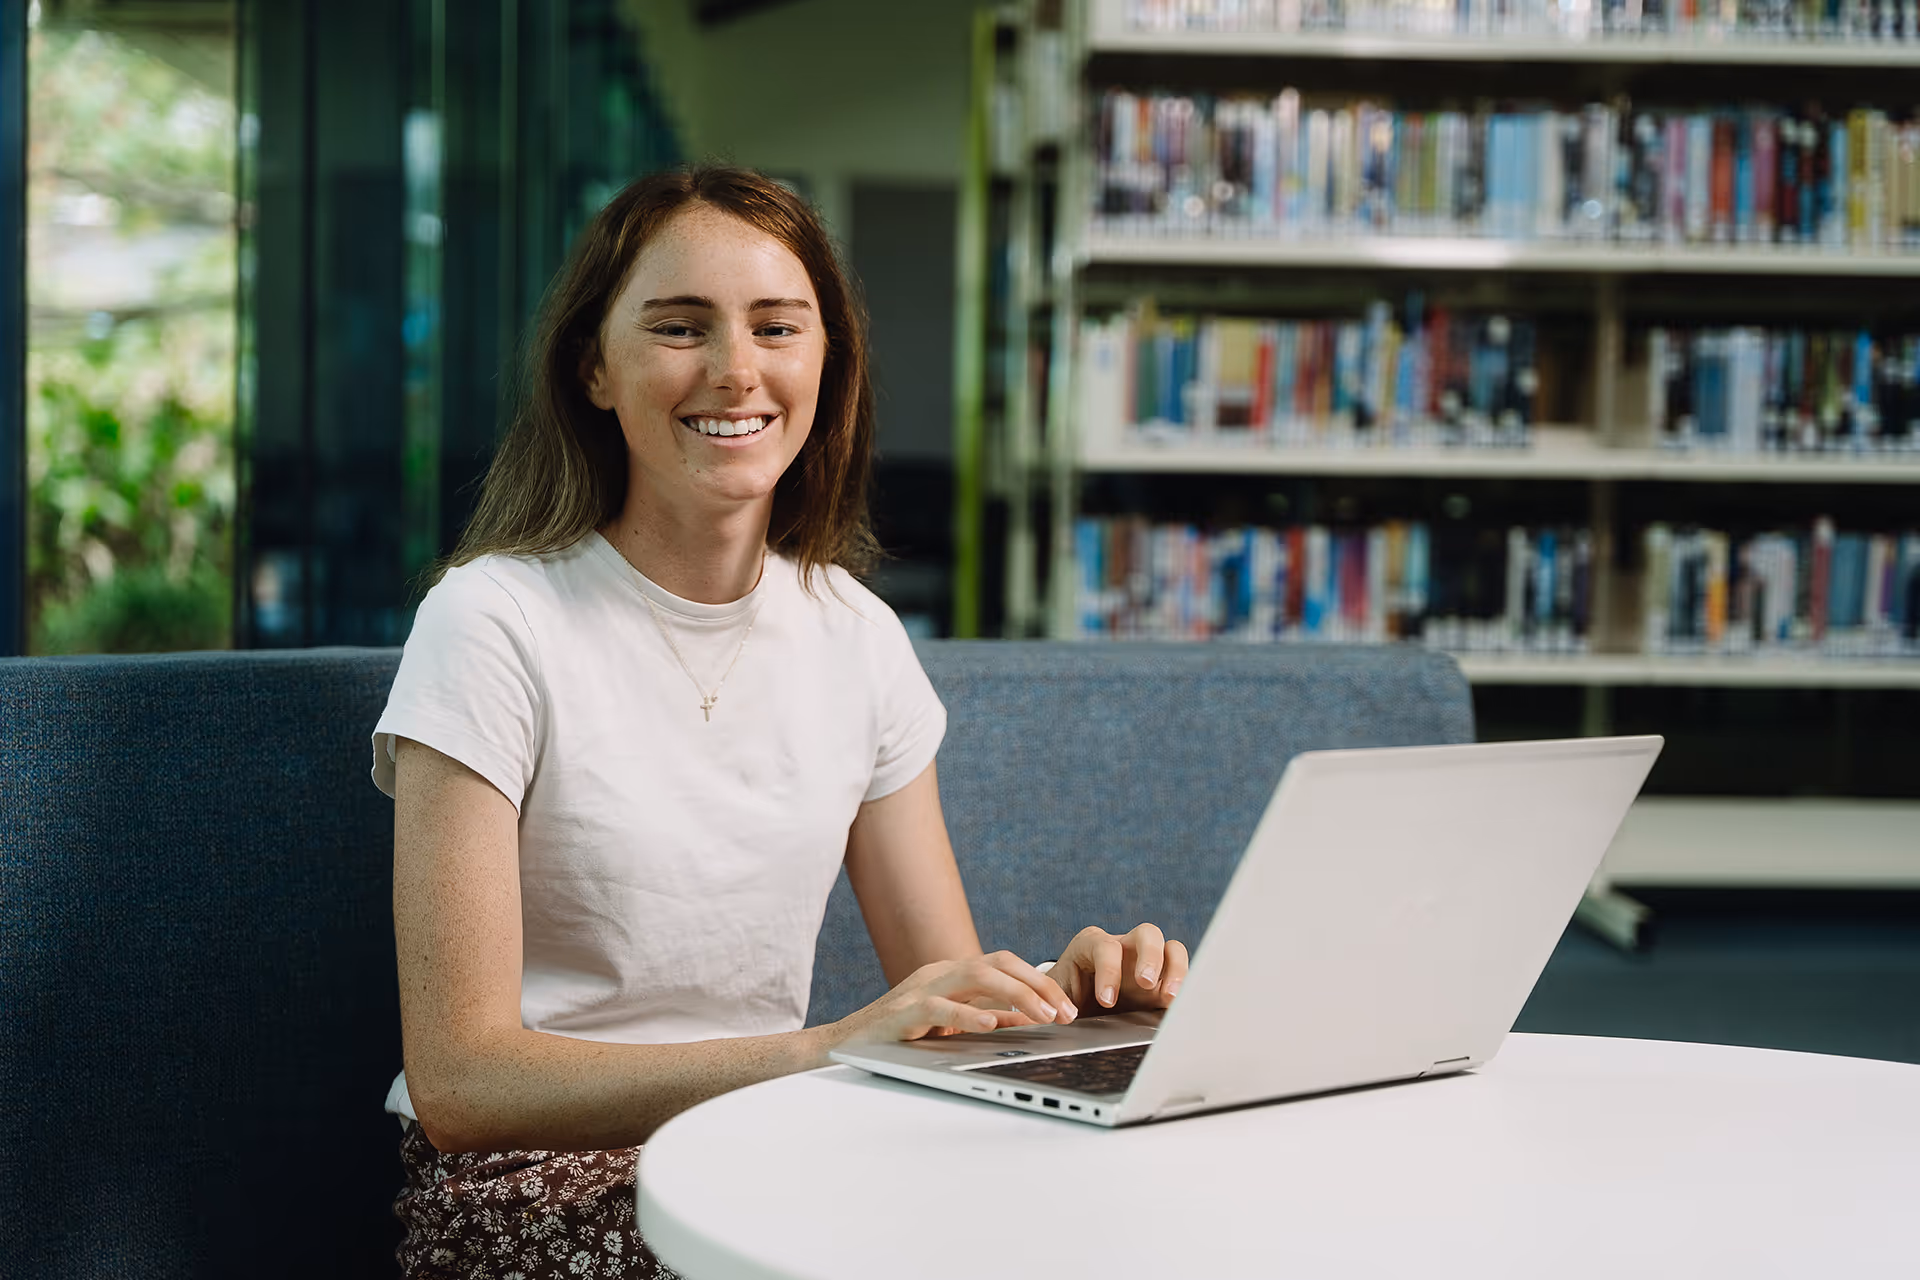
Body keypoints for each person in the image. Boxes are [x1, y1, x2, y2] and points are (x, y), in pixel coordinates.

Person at [371, 164, 1189, 1280]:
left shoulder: (854, 634)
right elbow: (465, 1082)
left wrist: (1074, 1000)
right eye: (678, 326)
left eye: (776, 326)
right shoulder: (493, 619)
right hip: (525, 1180)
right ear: (594, 369)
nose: (735, 370)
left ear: (825, 362)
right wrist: (826, 1049)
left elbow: (944, 997)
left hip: (772, 1143)